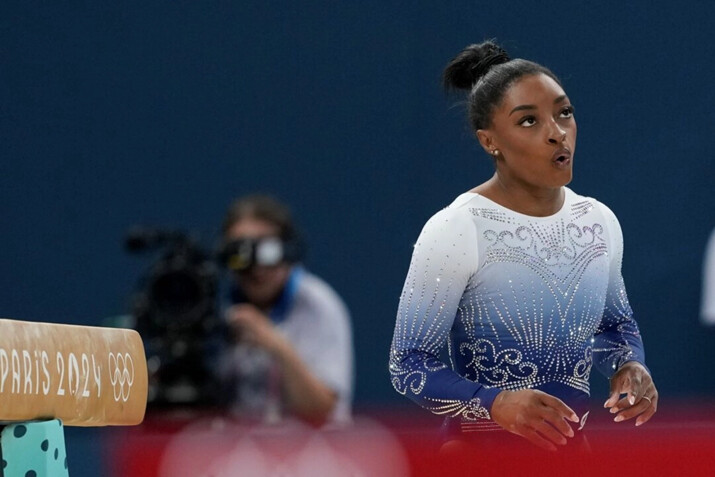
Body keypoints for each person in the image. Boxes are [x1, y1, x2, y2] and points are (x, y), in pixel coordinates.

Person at [388, 41, 658, 451]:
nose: (557, 134)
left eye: (564, 113)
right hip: (476, 458)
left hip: (571, 458)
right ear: (488, 141)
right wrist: (492, 402)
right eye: (529, 121)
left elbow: (613, 326)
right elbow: (408, 365)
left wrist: (629, 365)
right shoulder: (456, 229)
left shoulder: (597, 221)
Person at [217, 194, 353, 425]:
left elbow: (323, 412)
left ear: (288, 250)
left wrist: (274, 343)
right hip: (240, 455)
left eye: (267, 251)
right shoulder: (216, 308)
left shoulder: (318, 305)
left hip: (311, 455)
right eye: (241, 253)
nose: (256, 267)